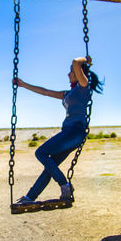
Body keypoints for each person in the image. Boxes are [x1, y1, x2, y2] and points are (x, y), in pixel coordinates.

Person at [14, 56, 103, 206]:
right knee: (50, 166)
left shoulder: (83, 86)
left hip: (75, 131)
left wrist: (85, 60)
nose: (69, 74)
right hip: (69, 131)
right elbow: (46, 92)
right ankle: (29, 198)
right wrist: (23, 85)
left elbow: (75, 62)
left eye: (71, 72)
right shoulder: (68, 93)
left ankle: (64, 185)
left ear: (79, 72)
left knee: (40, 153)